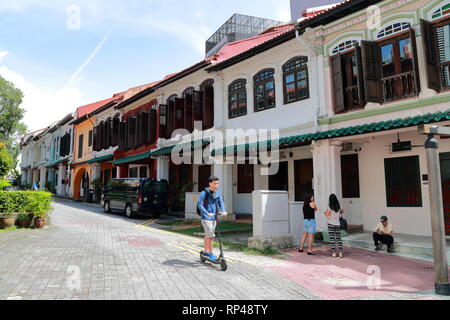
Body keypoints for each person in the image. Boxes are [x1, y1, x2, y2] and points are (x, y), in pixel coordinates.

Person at [197, 176, 227, 262]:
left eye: (217, 183)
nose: (216, 185)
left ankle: (208, 251)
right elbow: (200, 205)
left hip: (214, 218)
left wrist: (223, 211)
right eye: (214, 183)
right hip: (206, 218)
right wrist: (207, 213)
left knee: (210, 235)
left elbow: (221, 202)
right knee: (210, 235)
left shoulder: (218, 193)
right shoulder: (204, 193)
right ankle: (209, 253)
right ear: (210, 183)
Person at [324, 194, 345, 258]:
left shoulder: (329, 206)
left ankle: (334, 253)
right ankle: (341, 253)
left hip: (331, 223)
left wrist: (325, 213)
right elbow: (342, 212)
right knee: (339, 239)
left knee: (332, 239)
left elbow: (327, 215)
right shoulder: (339, 206)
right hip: (337, 224)